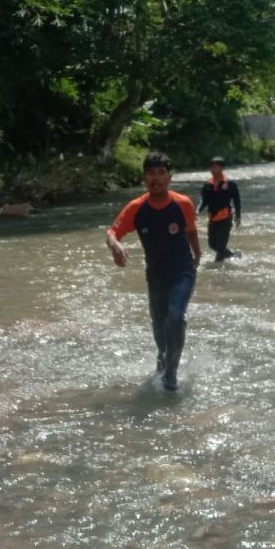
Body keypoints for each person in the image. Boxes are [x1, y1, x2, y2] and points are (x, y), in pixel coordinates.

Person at [106, 151, 201, 392]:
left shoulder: (183, 204)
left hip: (182, 271)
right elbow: (112, 232)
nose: (156, 178)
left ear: (170, 177)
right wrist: (115, 245)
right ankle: (163, 358)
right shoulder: (137, 208)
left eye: (161, 173)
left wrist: (197, 254)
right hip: (156, 276)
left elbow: (190, 231)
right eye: (151, 173)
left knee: (175, 318)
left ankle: (171, 375)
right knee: (160, 331)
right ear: (144, 178)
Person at [198, 157, 242, 262]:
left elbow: (237, 200)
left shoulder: (230, 184)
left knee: (220, 247)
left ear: (222, 168)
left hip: (225, 218)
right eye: (211, 167)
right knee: (212, 244)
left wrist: (238, 216)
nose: (212, 170)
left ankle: (218, 271)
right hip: (213, 218)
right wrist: (197, 211)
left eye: (215, 167)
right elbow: (203, 201)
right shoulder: (207, 185)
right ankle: (234, 255)